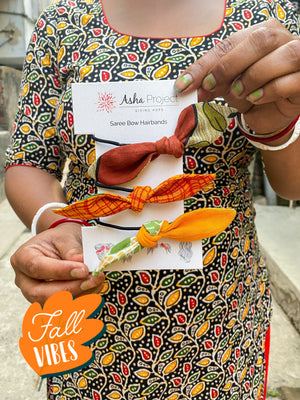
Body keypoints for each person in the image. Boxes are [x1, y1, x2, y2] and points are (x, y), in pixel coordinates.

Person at [5, 0, 300, 399]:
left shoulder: (269, 18)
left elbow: (292, 185)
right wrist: (57, 226)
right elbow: (30, 159)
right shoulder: (63, 21)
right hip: (91, 311)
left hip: (223, 322)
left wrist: (278, 124)